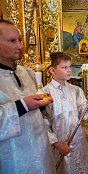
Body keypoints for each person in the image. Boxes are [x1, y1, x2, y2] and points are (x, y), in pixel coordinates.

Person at [0, 20, 54, 173]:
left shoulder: (27, 73)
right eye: (12, 41)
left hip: (41, 153)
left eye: (20, 40)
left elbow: (40, 115)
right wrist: (22, 105)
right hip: (13, 158)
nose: (20, 46)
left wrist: (42, 104)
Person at [43, 52, 88, 173]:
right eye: (64, 67)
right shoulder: (45, 93)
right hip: (57, 146)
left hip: (77, 143)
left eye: (69, 66)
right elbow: (43, 123)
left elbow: (84, 115)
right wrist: (57, 144)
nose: (69, 70)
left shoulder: (76, 90)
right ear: (52, 70)